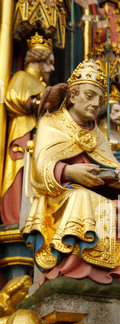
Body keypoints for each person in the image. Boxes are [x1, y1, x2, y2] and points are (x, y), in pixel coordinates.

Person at [22, 59, 120, 285]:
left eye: (100, 100)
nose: (96, 104)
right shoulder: (51, 122)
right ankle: (73, 267)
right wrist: (69, 172)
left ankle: (115, 274)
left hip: (92, 196)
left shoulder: (97, 134)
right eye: (89, 96)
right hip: (59, 196)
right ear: (73, 96)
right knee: (82, 198)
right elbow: (39, 170)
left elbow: (111, 167)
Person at [1, 33, 55, 226]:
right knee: (21, 173)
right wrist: (37, 102)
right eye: (49, 62)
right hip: (23, 134)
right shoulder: (22, 77)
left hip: (39, 136)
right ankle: (17, 216)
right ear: (38, 61)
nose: (52, 68)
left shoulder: (41, 84)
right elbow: (12, 97)